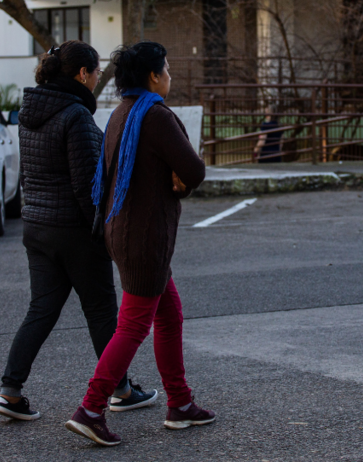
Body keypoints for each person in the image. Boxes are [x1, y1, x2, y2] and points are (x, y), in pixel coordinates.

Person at [0, 40, 157, 422]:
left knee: (41, 310)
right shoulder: (76, 116)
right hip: (74, 230)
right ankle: (121, 390)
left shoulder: (30, 112)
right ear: (82, 74)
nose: (99, 79)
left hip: (36, 227)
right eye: (97, 72)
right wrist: (103, 231)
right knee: (101, 311)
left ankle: (10, 391)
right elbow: (87, 186)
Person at [65, 41, 212, 446]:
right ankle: (91, 408)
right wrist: (178, 180)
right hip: (146, 237)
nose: (169, 75)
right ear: (152, 75)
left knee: (169, 315)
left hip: (123, 231)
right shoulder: (156, 116)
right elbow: (194, 170)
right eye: (165, 68)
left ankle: (180, 404)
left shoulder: (121, 112)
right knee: (133, 325)